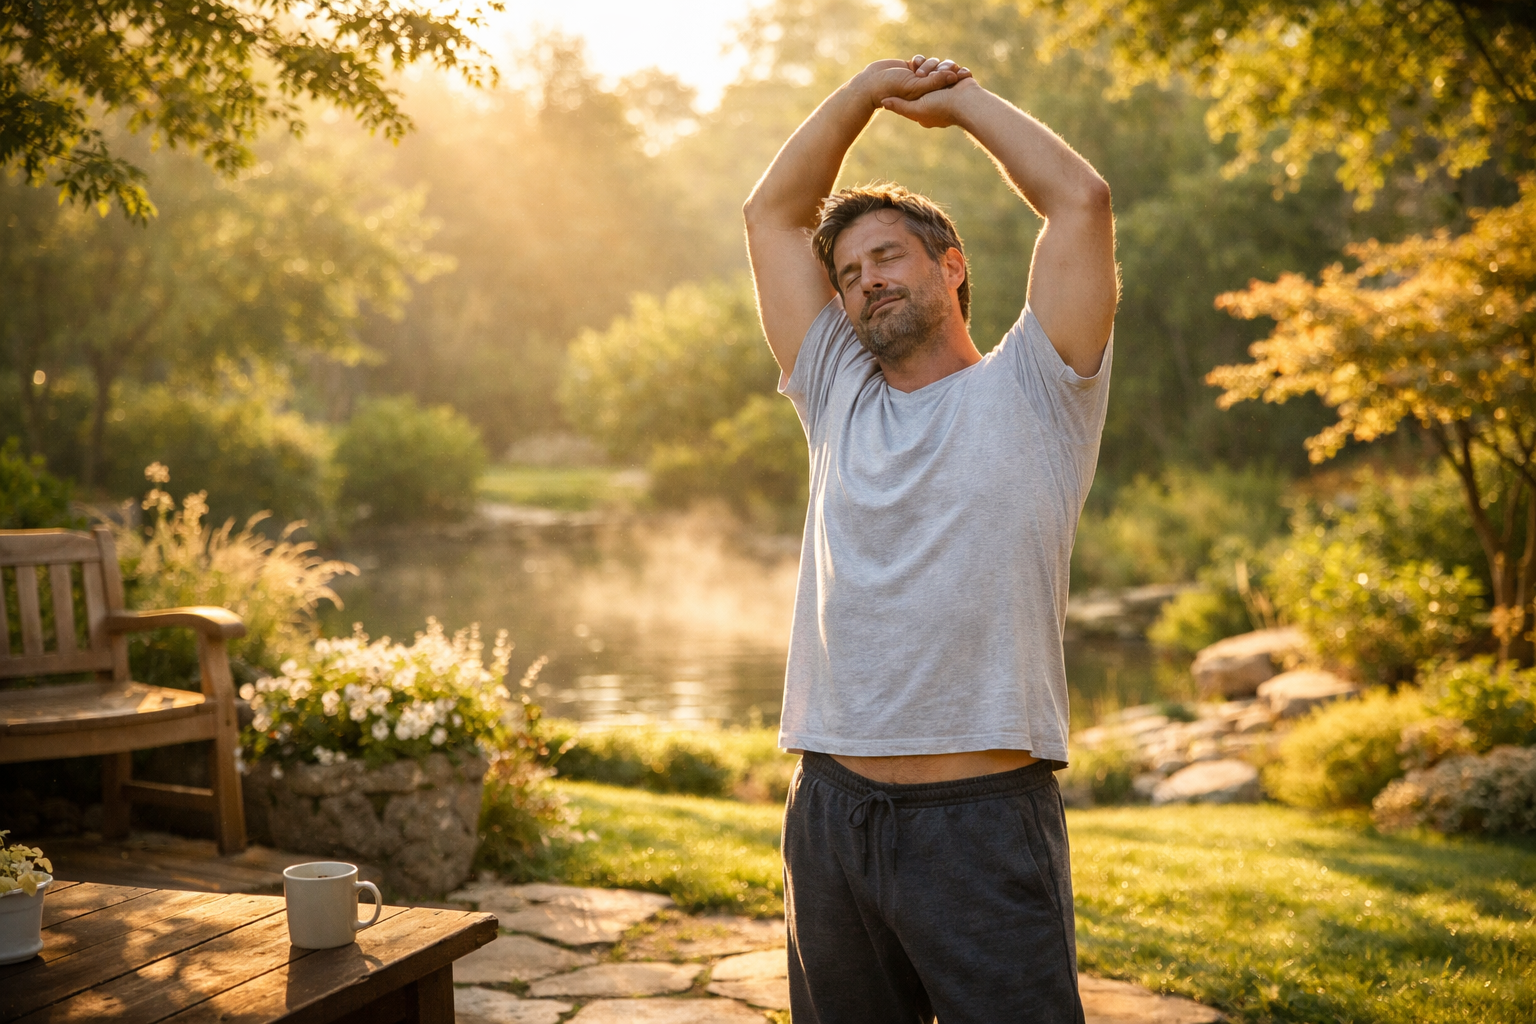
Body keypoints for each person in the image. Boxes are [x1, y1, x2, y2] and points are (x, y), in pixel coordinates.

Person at [742, 54, 1117, 1023]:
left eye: (888, 257)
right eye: (850, 273)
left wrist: (962, 106)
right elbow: (771, 215)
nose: (865, 282)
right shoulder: (835, 394)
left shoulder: (1037, 387)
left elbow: (1079, 201)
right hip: (829, 813)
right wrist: (862, 93)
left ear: (951, 267)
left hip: (980, 826)